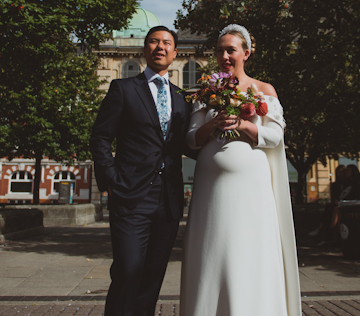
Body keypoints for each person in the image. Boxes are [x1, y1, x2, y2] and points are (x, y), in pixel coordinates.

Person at [180, 24, 301, 316]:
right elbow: (191, 139)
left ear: (245, 53)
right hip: (211, 188)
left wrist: (245, 125)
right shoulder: (205, 92)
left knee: (250, 250)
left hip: (252, 189)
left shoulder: (263, 90)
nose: (224, 55)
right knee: (213, 250)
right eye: (220, 50)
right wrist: (213, 124)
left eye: (230, 50)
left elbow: (275, 136)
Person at [90, 26, 191, 316]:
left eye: (167, 43)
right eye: (154, 42)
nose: (160, 47)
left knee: (152, 276)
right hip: (131, 195)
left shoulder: (181, 97)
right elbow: (100, 137)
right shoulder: (123, 89)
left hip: (169, 198)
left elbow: (186, 144)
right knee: (128, 269)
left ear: (175, 53)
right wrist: (110, 178)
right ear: (145, 49)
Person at [308, 165, 346, 242]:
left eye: (341, 172)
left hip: (344, 204)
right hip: (338, 204)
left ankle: (320, 229)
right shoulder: (335, 184)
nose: (340, 174)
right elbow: (334, 197)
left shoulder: (347, 184)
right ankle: (324, 231)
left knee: (331, 209)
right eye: (338, 172)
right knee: (330, 208)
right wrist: (336, 201)